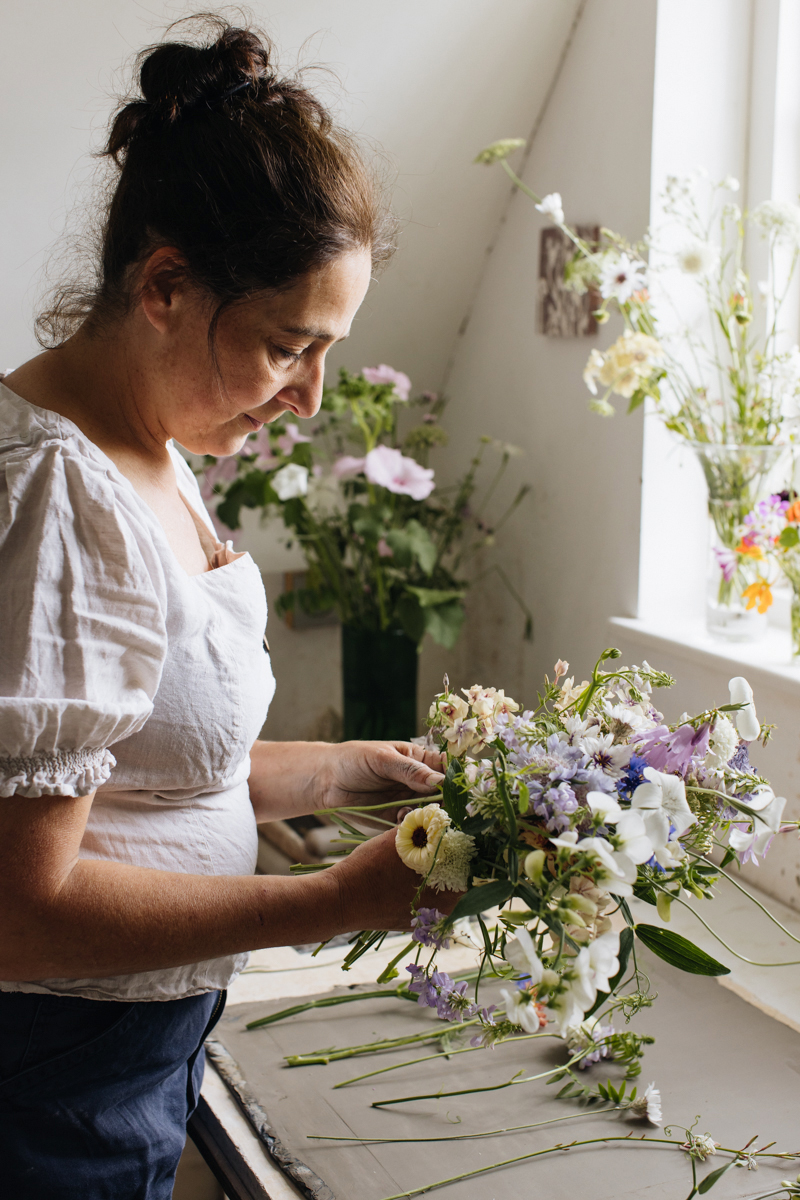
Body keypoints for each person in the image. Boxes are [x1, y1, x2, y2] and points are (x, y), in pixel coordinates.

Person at [0, 17, 456, 1198]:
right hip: (50, 1076)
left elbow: (150, 774)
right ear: (164, 285)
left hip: (121, 1052)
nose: (308, 397)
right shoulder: (62, 493)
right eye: (285, 347)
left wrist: (358, 768)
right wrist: (324, 903)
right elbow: (21, 908)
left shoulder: (145, 443)